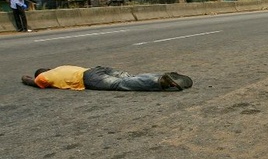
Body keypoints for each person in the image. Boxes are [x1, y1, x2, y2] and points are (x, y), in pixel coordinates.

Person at [21, 65, 193, 91]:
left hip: (88, 78)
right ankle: (157, 76)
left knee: (121, 84)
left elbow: (35, 82)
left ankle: (157, 81)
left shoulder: (43, 76)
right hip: (96, 69)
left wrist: (26, 79)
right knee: (129, 77)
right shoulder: (60, 68)